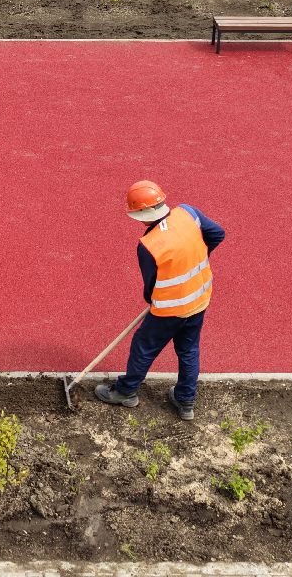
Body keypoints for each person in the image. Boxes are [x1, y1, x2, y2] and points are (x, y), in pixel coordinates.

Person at [94, 179, 225, 420]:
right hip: (199, 299)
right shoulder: (188, 213)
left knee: (144, 346)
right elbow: (217, 233)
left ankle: (126, 391)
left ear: (141, 214)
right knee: (189, 349)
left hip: (168, 311)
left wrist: (152, 299)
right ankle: (186, 401)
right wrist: (197, 258)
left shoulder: (149, 245)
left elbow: (151, 285)